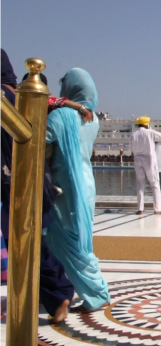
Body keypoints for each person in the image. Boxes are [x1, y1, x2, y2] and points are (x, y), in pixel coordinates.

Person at [2, 49, 76, 323]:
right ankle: (54, 292)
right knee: (32, 242)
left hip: (13, 183)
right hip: (37, 182)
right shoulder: (35, 103)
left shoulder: (8, 100)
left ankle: (54, 293)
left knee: (25, 243)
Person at [45, 68, 110, 313]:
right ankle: (76, 289)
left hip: (65, 185)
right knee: (81, 239)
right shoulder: (92, 118)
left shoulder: (61, 116)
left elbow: (37, 140)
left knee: (63, 241)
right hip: (86, 183)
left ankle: (95, 292)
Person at [131, 116, 161, 214]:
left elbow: (131, 148)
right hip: (149, 159)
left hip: (137, 159)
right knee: (154, 183)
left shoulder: (134, 134)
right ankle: (158, 209)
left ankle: (140, 208)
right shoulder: (150, 132)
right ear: (147, 124)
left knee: (140, 184)